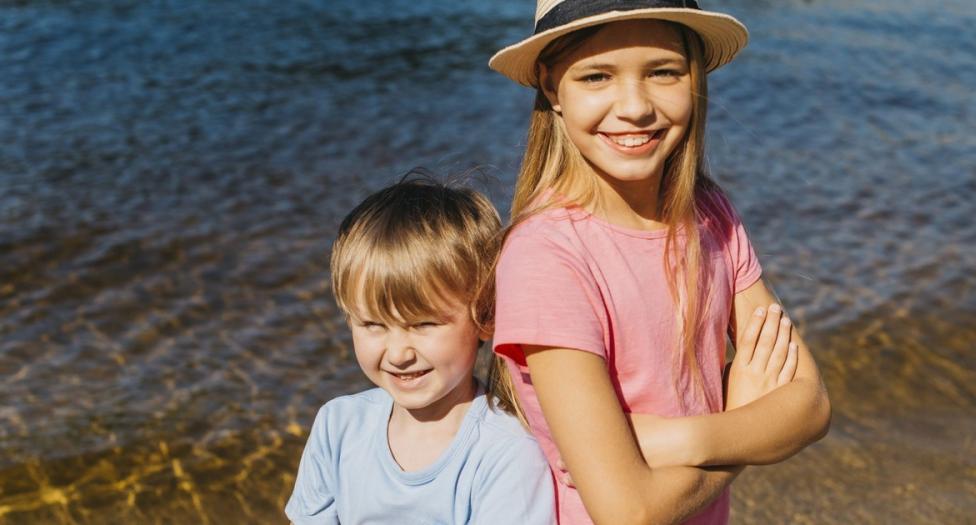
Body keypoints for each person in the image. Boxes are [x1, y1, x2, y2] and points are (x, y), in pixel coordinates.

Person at [487, 1, 832, 524]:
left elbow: (809, 405)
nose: (634, 107)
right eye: (597, 76)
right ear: (553, 87)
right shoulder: (547, 257)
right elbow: (629, 511)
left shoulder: (710, 217)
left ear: (694, 75)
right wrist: (742, 427)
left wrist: (678, 438)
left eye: (663, 72)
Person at [285, 177, 555, 524]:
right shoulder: (338, 427)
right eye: (373, 325)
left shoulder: (507, 452)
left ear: (485, 316)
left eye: (423, 324)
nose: (398, 353)